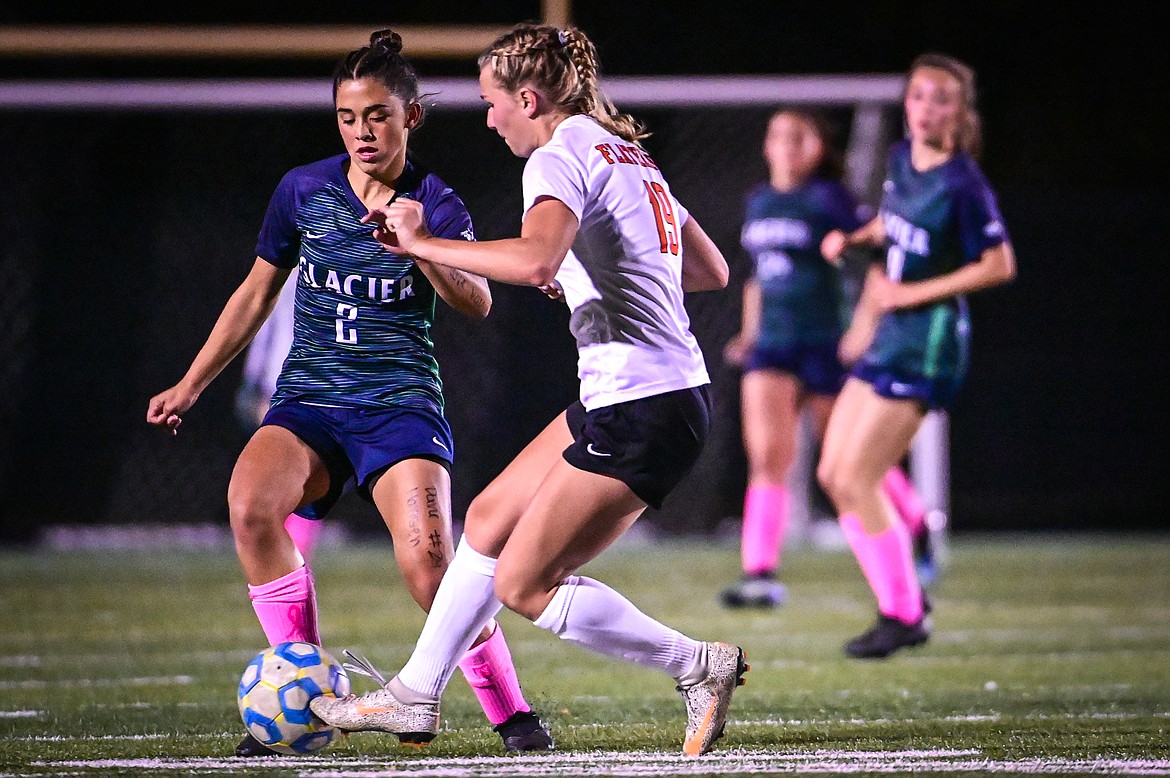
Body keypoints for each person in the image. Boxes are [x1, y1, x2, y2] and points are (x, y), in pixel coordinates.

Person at [308, 22, 747, 757]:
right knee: (487, 517)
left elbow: (536, 261)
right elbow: (707, 270)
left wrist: (419, 243)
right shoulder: (626, 153)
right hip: (641, 394)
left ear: (531, 98)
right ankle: (417, 693)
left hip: (642, 406)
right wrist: (597, 269)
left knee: (525, 584)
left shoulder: (558, 153)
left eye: (492, 102)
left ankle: (698, 666)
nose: (488, 118)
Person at [145, 29, 553, 755]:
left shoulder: (435, 202)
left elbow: (478, 302)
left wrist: (420, 244)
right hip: (308, 403)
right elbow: (255, 294)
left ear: (410, 118)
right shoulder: (303, 190)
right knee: (250, 507)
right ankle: (303, 692)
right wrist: (191, 382)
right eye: (347, 116)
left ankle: (513, 714)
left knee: (431, 566)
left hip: (399, 409)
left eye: (377, 116)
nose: (362, 131)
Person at [818, 52, 1016, 658]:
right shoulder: (903, 160)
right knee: (833, 474)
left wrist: (909, 294)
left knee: (859, 476)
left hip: (928, 343)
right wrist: (857, 238)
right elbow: (894, 224)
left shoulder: (963, 183)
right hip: (890, 334)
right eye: (918, 95)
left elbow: (998, 265)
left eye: (941, 99)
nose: (926, 108)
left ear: (959, 112)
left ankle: (904, 611)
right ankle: (907, 602)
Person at [720, 108, 936, 609]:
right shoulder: (759, 202)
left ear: (818, 147)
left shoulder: (830, 200)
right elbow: (758, 275)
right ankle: (760, 572)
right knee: (768, 459)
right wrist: (750, 333)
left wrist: (862, 328)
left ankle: (918, 526)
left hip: (824, 344)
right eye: (778, 136)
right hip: (773, 347)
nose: (787, 146)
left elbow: (883, 259)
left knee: (854, 457)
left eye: (799, 138)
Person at [233, 272, 326, 563]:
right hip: (282, 387)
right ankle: (285, 560)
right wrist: (254, 381)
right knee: (277, 482)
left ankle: (292, 559)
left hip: (326, 387)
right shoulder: (289, 268)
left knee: (312, 481)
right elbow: (265, 319)